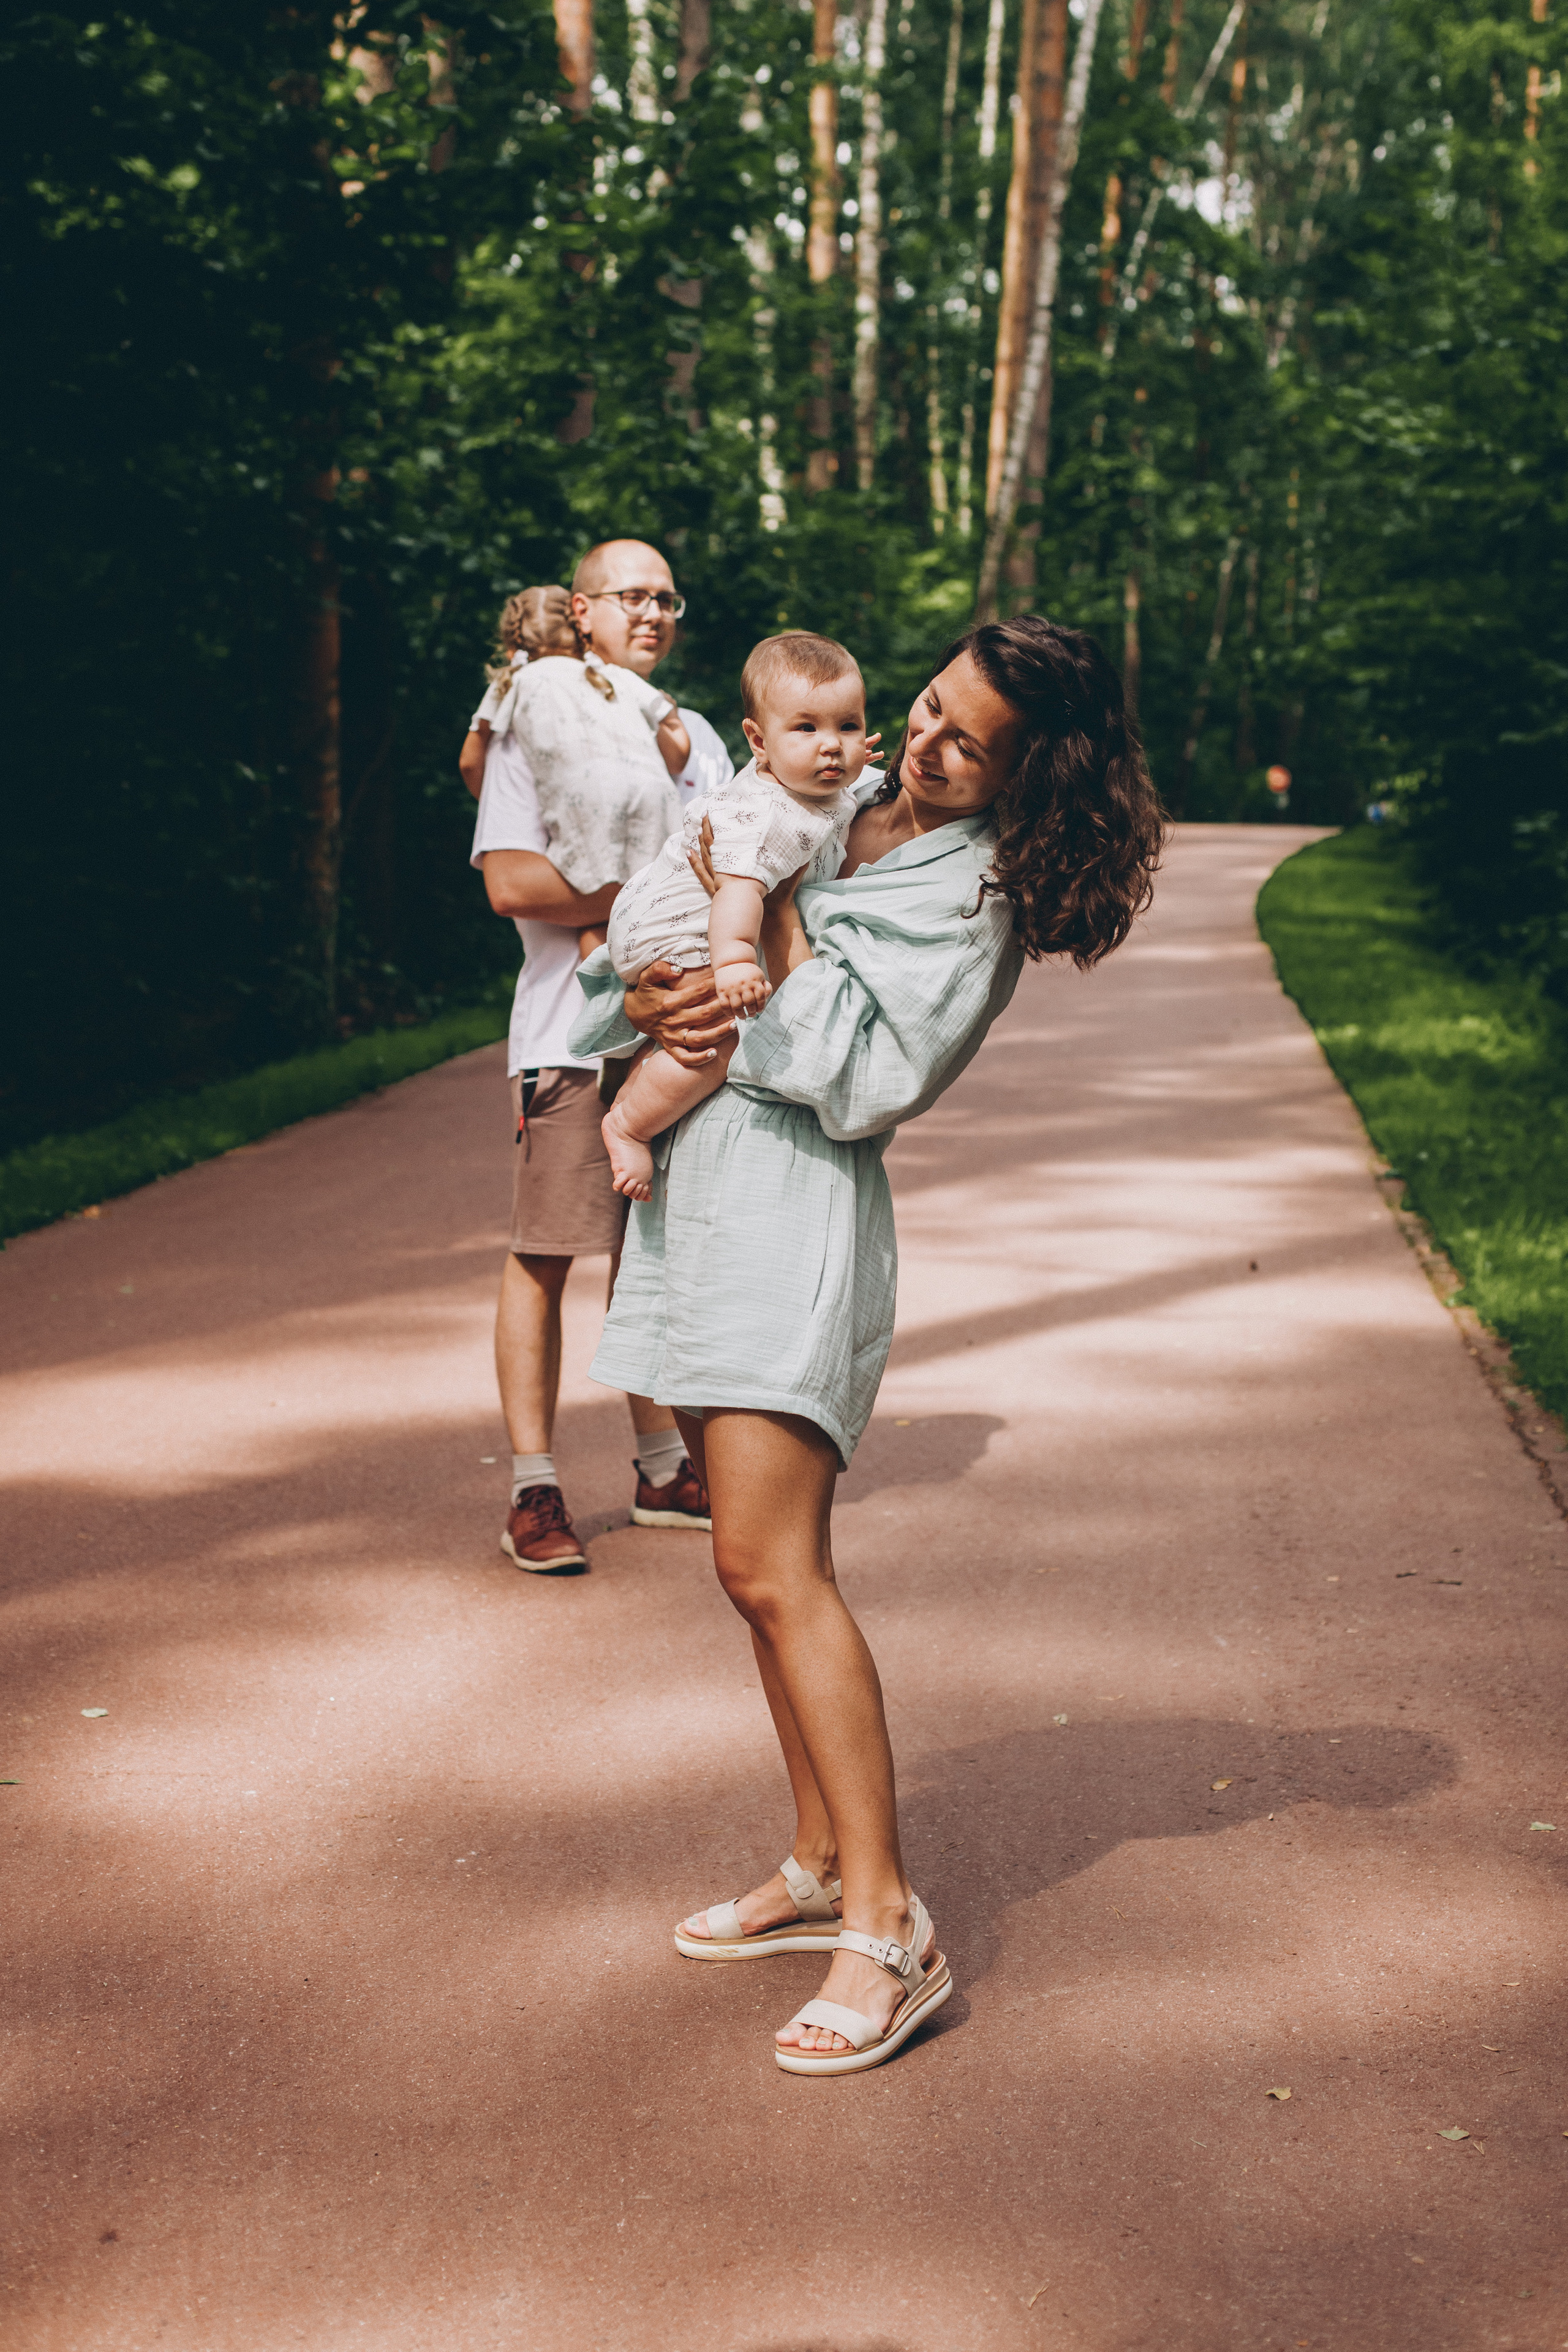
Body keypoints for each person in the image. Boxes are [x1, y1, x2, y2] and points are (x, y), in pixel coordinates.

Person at [568, 616, 1164, 2073]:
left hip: (792, 1215)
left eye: (967, 743)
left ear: (1031, 779)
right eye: (925, 707)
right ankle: (822, 1858)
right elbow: (662, 934)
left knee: (780, 1566)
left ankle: (890, 1926)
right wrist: (650, 985)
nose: (920, 743)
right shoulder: (836, 791)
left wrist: (753, 918)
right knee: (738, 1565)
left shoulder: (975, 894)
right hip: (704, 1200)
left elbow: (849, 1069)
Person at [466, 540, 734, 1572]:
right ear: (582, 611)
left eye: (669, 597)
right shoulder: (539, 712)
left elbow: (738, 868)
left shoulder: (693, 734)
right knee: (546, 1250)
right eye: (633, 597)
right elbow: (515, 885)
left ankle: (664, 1469)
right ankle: (534, 1490)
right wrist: (649, 902)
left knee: (653, 1250)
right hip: (569, 1034)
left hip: (679, 1024)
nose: (655, 613)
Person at [600, 631, 875, 1202]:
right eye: (807, 728)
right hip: (678, 928)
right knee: (720, 1038)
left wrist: (854, 760)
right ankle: (628, 1124)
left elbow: (847, 780)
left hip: (687, 917)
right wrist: (732, 962)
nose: (832, 746)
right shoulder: (764, 814)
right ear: (758, 741)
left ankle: (640, 1082)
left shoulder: (810, 786)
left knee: (703, 1028)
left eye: (848, 727)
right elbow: (738, 893)